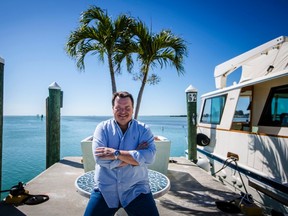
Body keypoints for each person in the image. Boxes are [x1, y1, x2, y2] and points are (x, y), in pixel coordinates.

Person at [84, 91, 159, 216]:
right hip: (105, 190)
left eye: (127, 108)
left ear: (133, 109)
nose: (123, 111)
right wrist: (135, 157)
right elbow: (100, 159)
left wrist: (116, 154)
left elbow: (150, 157)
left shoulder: (143, 129)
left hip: (136, 189)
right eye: (118, 108)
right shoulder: (102, 128)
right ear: (113, 109)